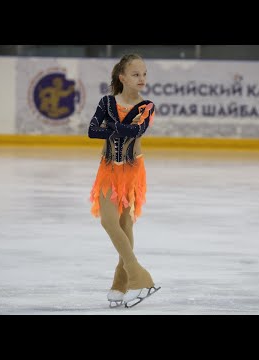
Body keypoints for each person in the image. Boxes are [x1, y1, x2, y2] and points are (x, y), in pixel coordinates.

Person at [88, 53, 160, 308]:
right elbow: (91, 130)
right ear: (122, 77)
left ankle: (120, 283)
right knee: (109, 221)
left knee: (125, 224)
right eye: (135, 74)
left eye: (144, 74)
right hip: (108, 169)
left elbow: (136, 130)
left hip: (131, 170)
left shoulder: (147, 106)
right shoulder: (107, 102)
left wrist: (109, 129)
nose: (141, 79)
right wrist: (115, 129)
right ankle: (139, 276)